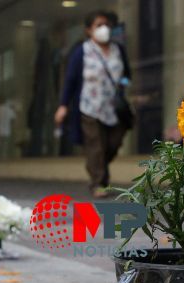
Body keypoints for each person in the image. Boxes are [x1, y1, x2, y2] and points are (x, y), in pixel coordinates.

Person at [55, 10, 132, 198]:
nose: (104, 28)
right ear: (89, 30)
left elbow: (127, 76)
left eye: (106, 24)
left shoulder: (118, 50)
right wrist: (63, 105)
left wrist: (121, 88)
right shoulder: (81, 52)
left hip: (113, 108)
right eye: (98, 25)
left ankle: (98, 170)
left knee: (112, 144)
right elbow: (71, 80)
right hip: (89, 107)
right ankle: (98, 183)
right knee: (95, 146)